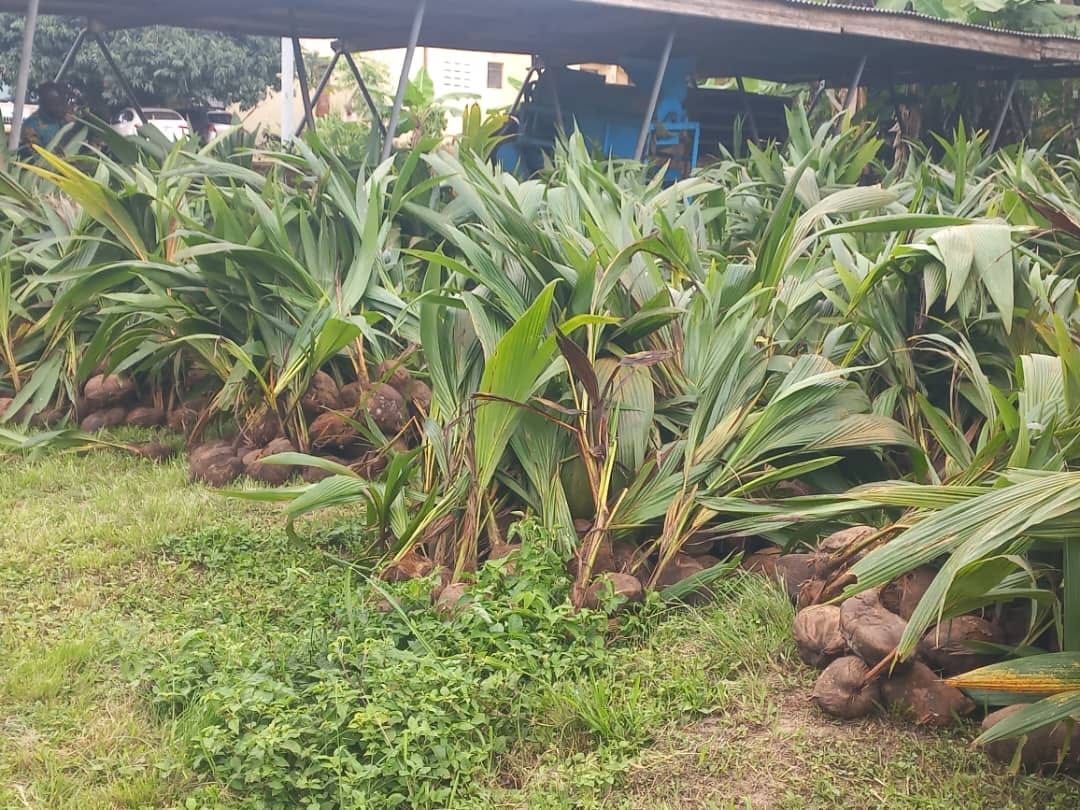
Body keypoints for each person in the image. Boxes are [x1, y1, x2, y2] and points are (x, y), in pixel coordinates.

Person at [20, 81, 74, 156]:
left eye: (64, 102)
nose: (64, 107)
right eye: (57, 104)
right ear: (45, 104)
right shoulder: (31, 126)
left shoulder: (67, 121)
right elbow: (36, 156)